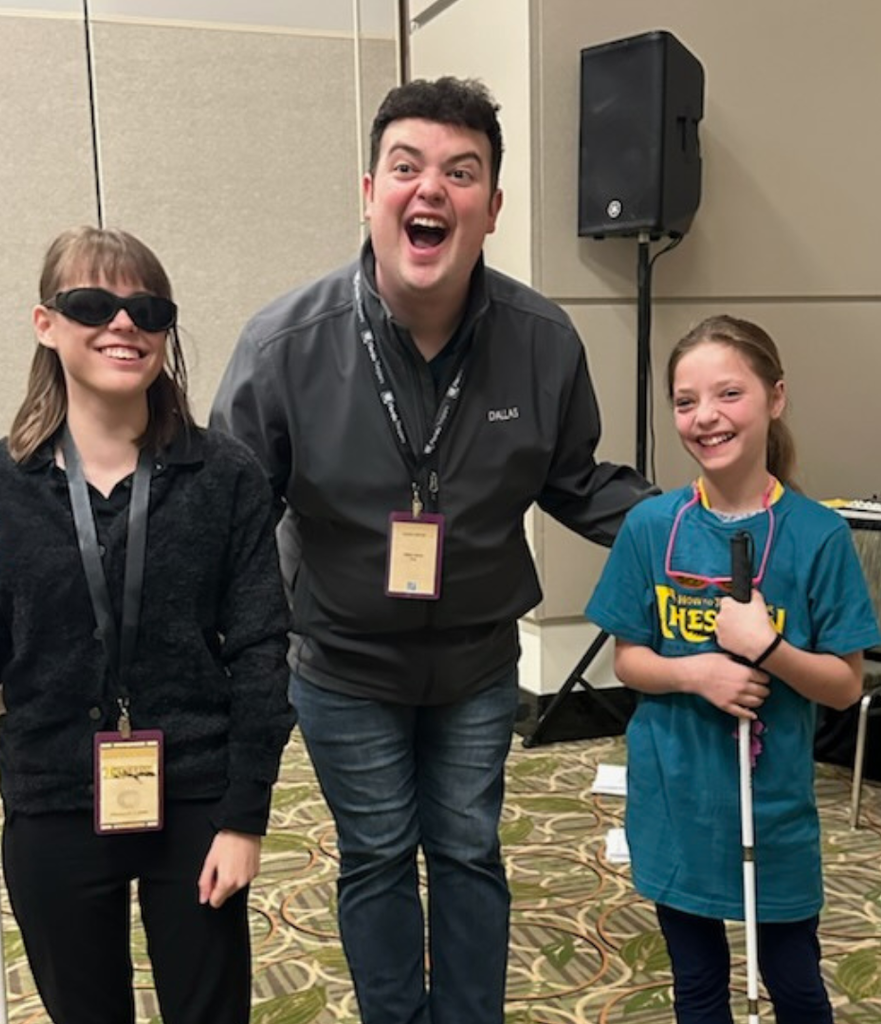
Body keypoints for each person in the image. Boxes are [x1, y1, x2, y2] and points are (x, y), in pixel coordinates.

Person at [209, 76, 656, 1024]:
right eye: (406, 168)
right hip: (340, 663)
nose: (431, 191)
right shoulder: (284, 346)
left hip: (476, 663)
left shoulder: (543, 341)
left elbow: (577, 481)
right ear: (368, 191)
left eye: (462, 173)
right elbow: (227, 521)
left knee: (466, 852)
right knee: (374, 857)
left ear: (491, 208)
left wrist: (714, 526)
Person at [0, 226, 294, 1024]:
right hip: (54, 792)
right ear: (46, 324)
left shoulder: (225, 475)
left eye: (147, 308)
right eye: (93, 304)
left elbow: (264, 650)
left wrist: (245, 817)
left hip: (196, 794)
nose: (123, 325)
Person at [586, 315, 878, 1023]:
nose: (705, 417)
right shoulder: (652, 527)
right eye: (686, 402)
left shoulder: (818, 534)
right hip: (676, 799)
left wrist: (768, 650)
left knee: (796, 985)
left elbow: (845, 685)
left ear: (775, 398)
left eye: (728, 394)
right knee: (698, 987)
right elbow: (629, 659)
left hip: (771, 808)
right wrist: (701, 674)